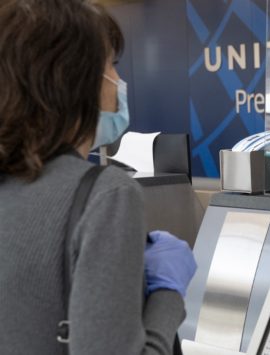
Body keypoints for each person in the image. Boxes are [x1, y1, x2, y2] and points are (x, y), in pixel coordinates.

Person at [0, 1, 197, 354]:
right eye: (111, 65)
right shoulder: (106, 195)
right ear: (74, 79)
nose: (119, 82)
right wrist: (169, 293)